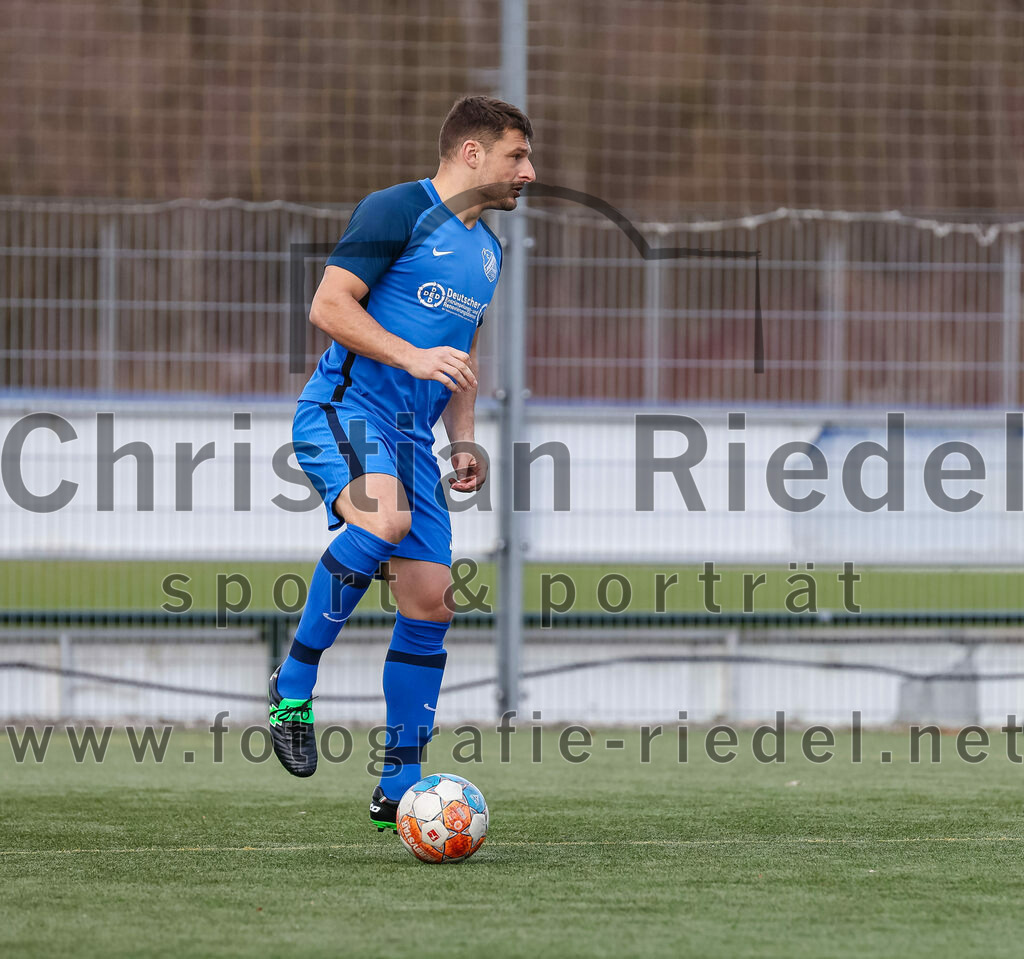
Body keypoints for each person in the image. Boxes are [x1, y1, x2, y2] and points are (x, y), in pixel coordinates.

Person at [268, 95, 535, 832]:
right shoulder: (397, 210)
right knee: (385, 518)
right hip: (344, 408)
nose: (530, 172)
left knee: (431, 597)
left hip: (415, 437)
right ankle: (293, 684)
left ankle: (401, 784)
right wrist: (412, 354)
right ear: (471, 153)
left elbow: (461, 355)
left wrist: (466, 439)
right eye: (518, 155)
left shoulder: (489, 251)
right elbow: (329, 305)